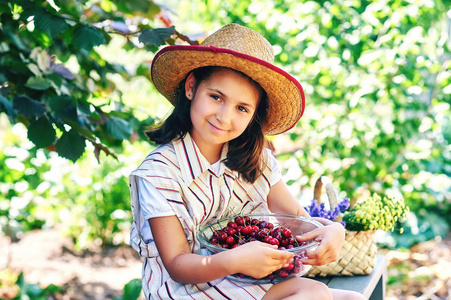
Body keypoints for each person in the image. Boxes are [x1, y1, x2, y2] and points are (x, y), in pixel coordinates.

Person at [129, 24, 365, 299]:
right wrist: (234, 260)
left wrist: (333, 230)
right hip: (187, 292)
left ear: (254, 114)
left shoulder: (256, 160)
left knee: (353, 298)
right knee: (313, 293)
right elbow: (178, 264)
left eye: (242, 108)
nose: (224, 117)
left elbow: (298, 220)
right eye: (216, 97)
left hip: (248, 284)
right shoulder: (160, 172)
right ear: (192, 86)